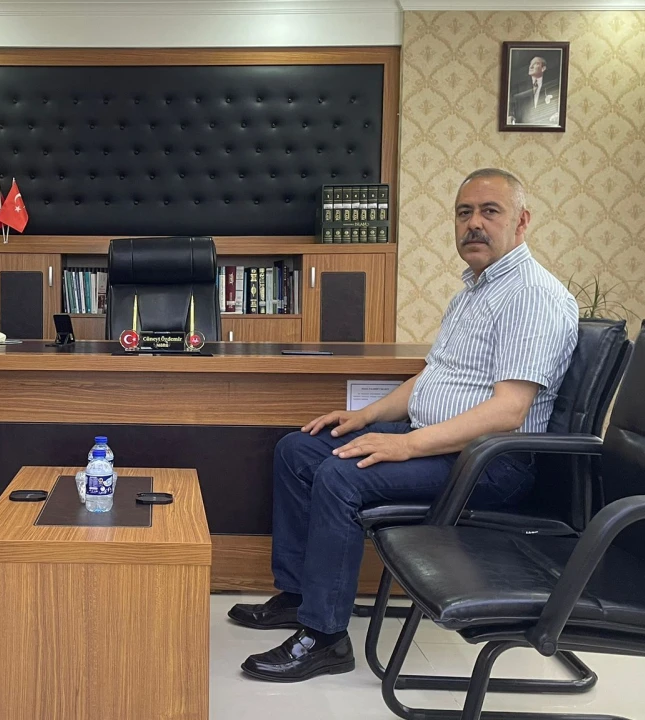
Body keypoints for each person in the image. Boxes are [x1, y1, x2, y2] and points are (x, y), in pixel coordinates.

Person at [229, 168, 578, 682]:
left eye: (490, 211)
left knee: (341, 474)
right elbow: (431, 378)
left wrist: (408, 446)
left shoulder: (531, 295)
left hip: (489, 463)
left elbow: (508, 412)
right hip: (440, 445)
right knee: (299, 450)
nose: (474, 224)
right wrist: (365, 416)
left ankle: (325, 638)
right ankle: (303, 596)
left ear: (522, 222)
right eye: (464, 213)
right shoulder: (473, 292)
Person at [508, 55, 561, 126]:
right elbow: (512, 107)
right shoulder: (520, 89)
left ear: (543, 68)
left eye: (536, 63)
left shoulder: (552, 85)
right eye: (530, 64)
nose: (531, 66)